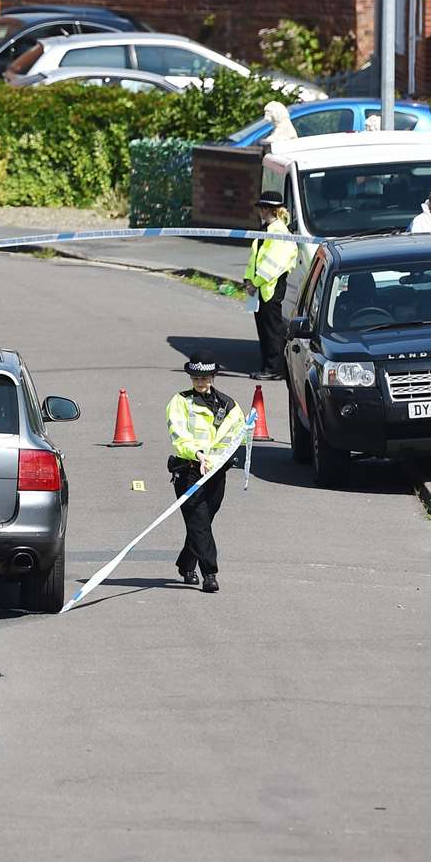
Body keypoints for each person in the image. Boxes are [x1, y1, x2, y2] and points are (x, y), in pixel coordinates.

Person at [166, 350, 245, 594]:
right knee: (199, 523)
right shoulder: (180, 401)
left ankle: (185, 564)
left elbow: (237, 435)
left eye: (205, 377)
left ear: (213, 376)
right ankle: (209, 573)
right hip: (188, 471)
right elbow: (178, 436)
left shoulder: (228, 405)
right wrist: (198, 454)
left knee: (202, 522)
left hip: (215, 472)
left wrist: (215, 460)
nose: (201, 382)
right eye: (196, 378)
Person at [243, 190, 299, 381]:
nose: (259, 211)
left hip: (270, 286)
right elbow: (255, 259)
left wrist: (255, 282)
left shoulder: (279, 233)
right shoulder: (266, 230)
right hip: (261, 286)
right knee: (265, 328)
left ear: (267, 209)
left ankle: (274, 369)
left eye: (261, 208)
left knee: (272, 329)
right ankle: (267, 366)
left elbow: (273, 264)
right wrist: (248, 280)